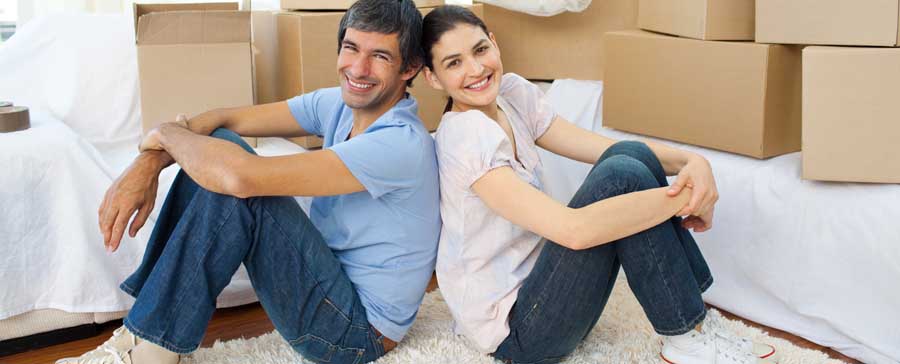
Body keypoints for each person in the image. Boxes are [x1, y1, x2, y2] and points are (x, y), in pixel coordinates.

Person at [57, 1, 440, 363]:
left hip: (355, 334)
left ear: (409, 67)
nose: (358, 69)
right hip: (330, 287)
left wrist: (162, 134)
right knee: (223, 146)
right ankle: (147, 331)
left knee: (241, 186)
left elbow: (240, 179)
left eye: (380, 56)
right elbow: (221, 120)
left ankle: (152, 343)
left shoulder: (399, 144)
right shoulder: (340, 105)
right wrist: (149, 161)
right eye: (351, 48)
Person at [419, 6, 777, 364]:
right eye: (453, 63)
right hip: (518, 333)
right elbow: (573, 232)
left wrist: (691, 163)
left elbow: (604, 148)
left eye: (480, 50)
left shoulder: (510, 95)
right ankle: (686, 337)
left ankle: (695, 323)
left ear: (494, 44)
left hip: (548, 287)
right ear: (433, 79)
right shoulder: (464, 138)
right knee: (623, 177)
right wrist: (686, 196)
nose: (476, 69)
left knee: (629, 154)